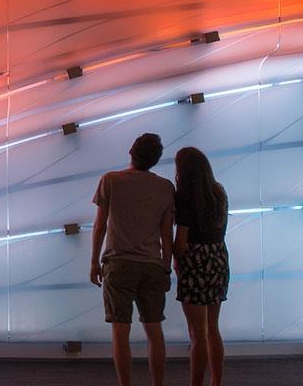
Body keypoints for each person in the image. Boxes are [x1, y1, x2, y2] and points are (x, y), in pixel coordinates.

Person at [90, 132, 175, 386]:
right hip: (152, 265)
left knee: (120, 330)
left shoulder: (111, 180)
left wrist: (94, 261)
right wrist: (166, 268)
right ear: (156, 160)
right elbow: (166, 234)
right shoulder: (165, 187)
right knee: (154, 330)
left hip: (119, 264)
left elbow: (99, 226)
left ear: (131, 151)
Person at [173, 147, 230, 386]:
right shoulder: (219, 192)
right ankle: (216, 382)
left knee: (197, 334)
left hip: (195, 263)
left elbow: (181, 242)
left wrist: (174, 260)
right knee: (212, 330)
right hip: (218, 258)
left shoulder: (186, 197)